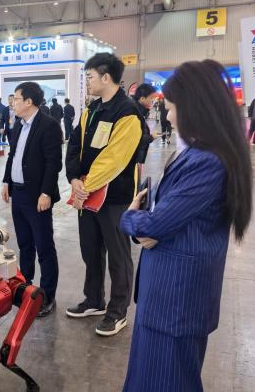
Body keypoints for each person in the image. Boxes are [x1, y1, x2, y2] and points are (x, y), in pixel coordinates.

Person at [120, 60, 253, 391]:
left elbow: (157, 224)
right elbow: (163, 221)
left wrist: (130, 217)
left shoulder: (207, 161)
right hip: (170, 294)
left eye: (171, 107)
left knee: (166, 380)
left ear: (194, 107)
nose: (167, 116)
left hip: (175, 299)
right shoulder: (201, 152)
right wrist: (148, 227)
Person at [65, 52, 142, 336]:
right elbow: (75, 144)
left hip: (115, 198)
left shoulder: (128, 112)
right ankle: (94, 300)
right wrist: (74, 178)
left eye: (90, 77)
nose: (87, 82)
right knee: (91, 250)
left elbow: (115, 158)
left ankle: (117, 311)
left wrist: (85, 185)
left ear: (106, 77)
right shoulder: (92, 109)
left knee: (118, 255)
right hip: (87, 194)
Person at [1, 81, 62, 318]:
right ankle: (25, 287)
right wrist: (6, 181)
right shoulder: (19, 124)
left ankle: (47, 295)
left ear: (28, 102)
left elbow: (53, 163)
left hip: (37, 196)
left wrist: (46, 193)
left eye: (16, 99)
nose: (13, 103)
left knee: (44, 246)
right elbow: (13, 156)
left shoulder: (48, 125)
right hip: (18, 193)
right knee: (25, 245)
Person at [132, 83, 159, 164]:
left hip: (136, 157)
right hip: (132, 158)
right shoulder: (133, 112)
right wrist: (151, 137)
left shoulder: (139, 110)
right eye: (151, 98)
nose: (153, 101)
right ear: (142, 98)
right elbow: (134, 138)